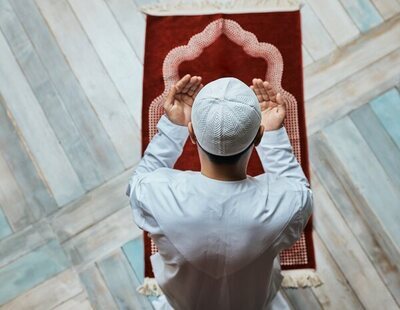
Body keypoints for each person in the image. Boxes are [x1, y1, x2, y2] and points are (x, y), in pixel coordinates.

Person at [126, 74, 313, 310]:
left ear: (192, 134)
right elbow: (301, 194)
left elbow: (137, 183)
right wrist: (275, 137)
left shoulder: (156, 194)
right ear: (258, 136)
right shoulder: (285, 204)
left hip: (185, 301)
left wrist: (172, 128)